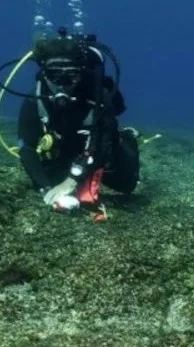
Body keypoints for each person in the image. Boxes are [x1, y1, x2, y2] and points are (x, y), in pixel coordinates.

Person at [17, 28, 140, 214]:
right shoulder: (35, 98)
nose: (62, 84)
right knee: (49, 177)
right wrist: (45, 189)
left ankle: (128, 137)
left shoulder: (97, 94)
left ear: (81, 73)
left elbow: (103, 140)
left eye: (71, 76)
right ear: (44, 73)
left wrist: (73, 179)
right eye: (54, 75)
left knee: (126, 185)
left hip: (97, 147)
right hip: (67, 146)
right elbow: (26, 146)